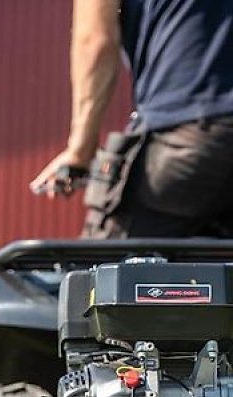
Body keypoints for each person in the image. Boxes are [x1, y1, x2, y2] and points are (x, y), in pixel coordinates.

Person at [30, 0, 233, 238]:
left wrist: (80, 150)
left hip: (186, 130)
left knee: (100, 266)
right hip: (196, 131)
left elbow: (94, 41)